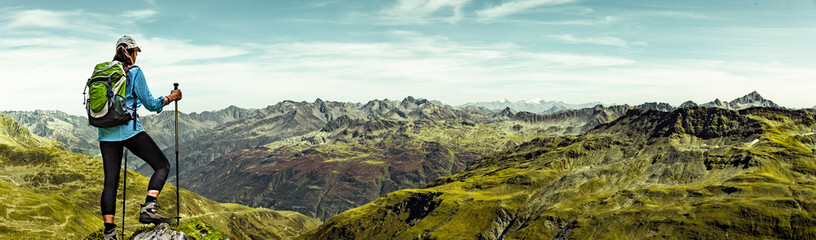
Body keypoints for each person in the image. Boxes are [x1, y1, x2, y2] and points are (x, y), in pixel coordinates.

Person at [99, 35, 182, 240]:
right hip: (130, 131)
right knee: (162, 165)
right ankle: (149, 206)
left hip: (106, 133)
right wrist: (170, 98)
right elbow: (151, 104)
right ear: (132, 52)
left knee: (110, 182)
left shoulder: (103, 71)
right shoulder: (134, 72)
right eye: (137, 52)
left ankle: (109, 233)